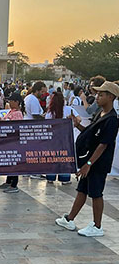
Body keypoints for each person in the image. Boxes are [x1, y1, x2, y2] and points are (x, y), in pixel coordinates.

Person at [56, 81, 119, 237]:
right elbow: (92, 137)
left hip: (98, 163)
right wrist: (78, 126)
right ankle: (69, 219)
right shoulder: (100, 113)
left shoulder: (112, 119)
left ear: (111, 97)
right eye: (97, 94)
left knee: (96, 193)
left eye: (101, 94)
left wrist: (89, 164)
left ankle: (97, 227)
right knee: (82, 190)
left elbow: (103, 145)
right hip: (90, 160)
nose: (97, 97)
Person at [45, 91, 81, 185]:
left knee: (52, 158)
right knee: (65, 158)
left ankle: (50, 177)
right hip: (67, 139)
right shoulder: (69, 109)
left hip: (53, 140)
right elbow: (79, 119)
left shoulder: (50, 113)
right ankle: (65, 178)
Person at [0, 93, 24, 193]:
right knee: (9, 162)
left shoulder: (18, 114)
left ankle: (14, 185)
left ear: (16, 102)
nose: (9, 102)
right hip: (8, 142)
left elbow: (14, 127)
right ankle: (8, 181)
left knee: (14, 163)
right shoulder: (11, 111)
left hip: (14, 142)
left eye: (11, 101)